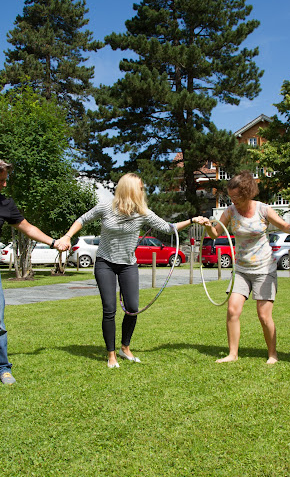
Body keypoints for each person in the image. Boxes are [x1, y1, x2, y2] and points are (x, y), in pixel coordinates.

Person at [58, 173, 203, 369]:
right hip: (105, 263)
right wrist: (67, 236)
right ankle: (111, 355)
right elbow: (83, 219)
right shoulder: (106, 207)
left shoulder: (143, 212)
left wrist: (193, 220)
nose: (143, 191)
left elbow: (169, 228)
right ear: (130, 189)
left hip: (128, 264)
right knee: (109, 309)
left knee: (133, 308)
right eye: (140, 188)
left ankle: (124, 348)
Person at [200, 170, 290, 364]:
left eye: (236, 196)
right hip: (241, 270)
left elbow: (284, 226)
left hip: (264, 269)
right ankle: (232, 354)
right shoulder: (230, 211)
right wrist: (207, 225)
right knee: (233, 310)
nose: (232, 199)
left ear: (246, 193)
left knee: (263, 315)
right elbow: (215, 234)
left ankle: (272, 354)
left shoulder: (263, 209)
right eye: (230, 196)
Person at [0, 160, 67, 385]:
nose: (5, 183)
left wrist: (53, 242)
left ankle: (3, 368)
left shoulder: (5, 204)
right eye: (1, 180)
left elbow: (27, 228)